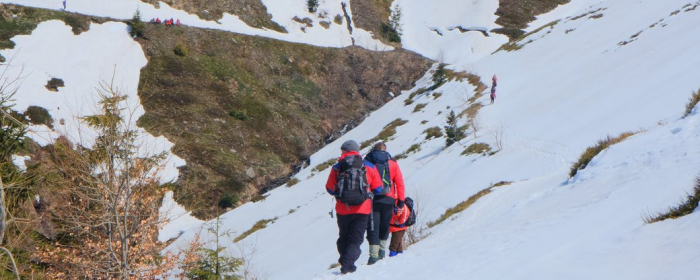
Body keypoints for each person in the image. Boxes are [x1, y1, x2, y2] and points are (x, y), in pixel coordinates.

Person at [326, 140, 383, 275]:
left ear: (344, 151)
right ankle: (348, 265)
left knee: (343, 237)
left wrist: (341, 194)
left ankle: (346, 261)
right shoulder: (367, 166)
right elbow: (379, 188)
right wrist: (367, 194)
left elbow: (329, 188)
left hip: (343, 209)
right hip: (362, 209)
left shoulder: (337, 167)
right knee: (355, 240)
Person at [363, 142, 405, 265]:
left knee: (373, 226)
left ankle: (373, 256)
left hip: (372, 199)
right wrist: (401, 201)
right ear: (385, 150)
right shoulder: (392, 163)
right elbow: (399, 182)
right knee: (384, 225)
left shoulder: (368, 162)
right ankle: (382, 252)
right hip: (389, 199)